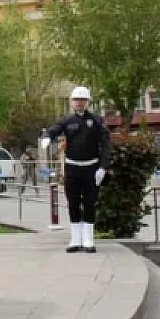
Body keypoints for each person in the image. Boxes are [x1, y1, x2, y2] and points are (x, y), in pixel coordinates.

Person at [45, 86, 111, 253]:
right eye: (76, 100)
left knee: (90, 202)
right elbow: (53, 130)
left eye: (83, 100)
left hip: (91, 168)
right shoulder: (67, 120)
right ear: (71, 102)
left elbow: (106, 144)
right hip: (73, 167)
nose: (79, 103)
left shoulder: (97, 120)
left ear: (88, 102)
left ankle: (88, 238)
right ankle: (75, 238)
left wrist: (103, 167)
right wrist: (47, 138)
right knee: (73, 202)